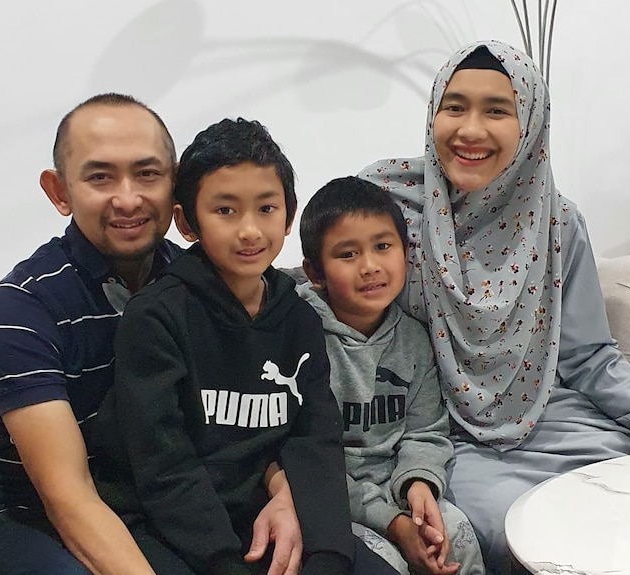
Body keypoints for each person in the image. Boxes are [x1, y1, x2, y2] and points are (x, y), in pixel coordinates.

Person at [358, 40, 630, 574]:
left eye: (497, 110)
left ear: (531, 123)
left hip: (551, 417)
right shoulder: (386, 206)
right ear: (433, 114)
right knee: (508, 529)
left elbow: (589, 360)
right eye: (454, 106)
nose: (470, 129)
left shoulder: (556, 221)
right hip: (442, 433)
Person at [0, 95, 300, 575]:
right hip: (35, 518)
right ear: (60, 192)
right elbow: (69, 496)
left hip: (171, 502)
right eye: (100, 176)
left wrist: (283, 490)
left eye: (147, 174)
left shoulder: (208, 282)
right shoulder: (22, 304)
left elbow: (246, 413)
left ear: (175, 184)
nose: (128, 198)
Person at [89, 118, 400, 575]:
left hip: (259, 518)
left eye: (266, 208)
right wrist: (224, 564)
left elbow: (314, 442)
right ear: (186, 221)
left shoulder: (299, 319)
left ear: (289, 216)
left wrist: (329, 554)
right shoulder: (157, 317)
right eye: (226, 211)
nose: (250, 230)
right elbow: (164, 467)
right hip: (164, 527)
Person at [295, 176, 485, 575]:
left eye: (383, 247)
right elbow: (309, 459)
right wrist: (393, 523)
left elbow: (426, 431)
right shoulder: (300, 335)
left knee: (459, 540)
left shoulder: (414, 337)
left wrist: (420, 485)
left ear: (406, 253)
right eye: (347, 254)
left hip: (398, 487)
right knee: (388, 564)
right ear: (314, 271)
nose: (370, 267)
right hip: (331, 497)